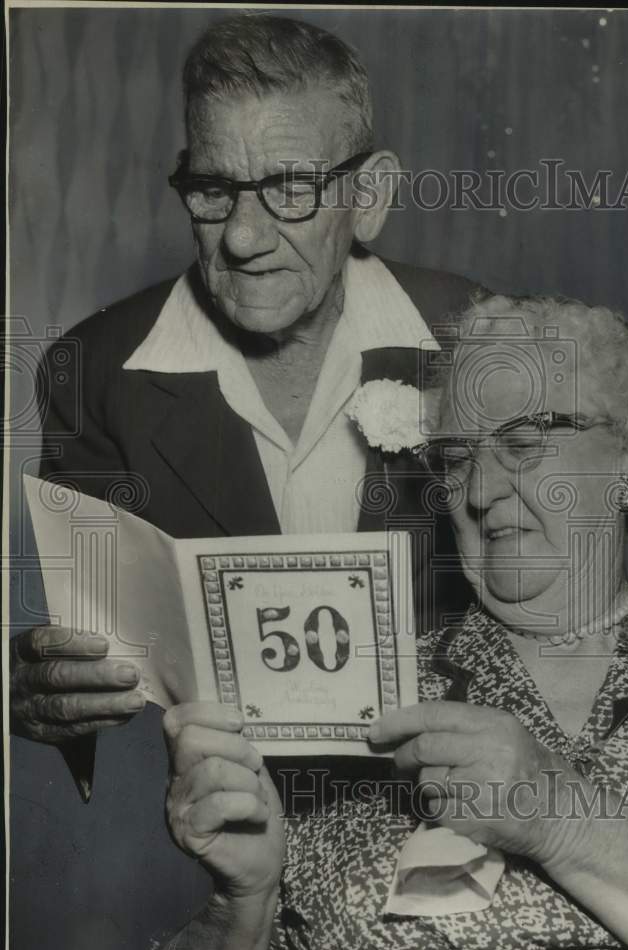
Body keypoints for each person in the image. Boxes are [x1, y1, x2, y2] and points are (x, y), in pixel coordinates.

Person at [155, 295, 628, 950]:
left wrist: (559, 814)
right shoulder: (354, 689)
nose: (479, 491)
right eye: (457, 458)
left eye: (524, 444)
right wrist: (244, 905)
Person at [10, 12, 480, 795]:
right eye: (214, 189)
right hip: (214, 832)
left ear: (368, 196)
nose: (243, 237)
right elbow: (101, 662)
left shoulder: (481, 344)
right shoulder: (90, 371)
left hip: (449, 820)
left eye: (291, 188)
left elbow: (559, 620)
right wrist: (41, 691)